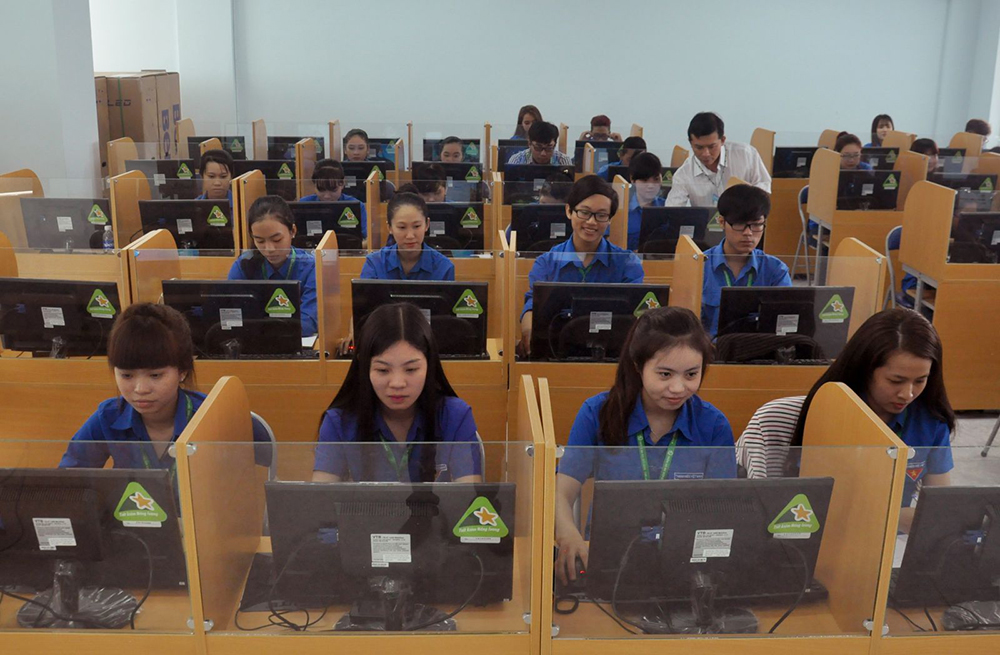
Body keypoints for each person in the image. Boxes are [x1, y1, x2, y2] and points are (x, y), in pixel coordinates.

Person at [554, 306, 736, 583]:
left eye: (691, 374)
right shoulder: (597, 413)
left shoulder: (714, 425)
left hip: (684, 565)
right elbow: (561, 492)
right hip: (609, 562)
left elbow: (723, 511)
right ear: (638, 366)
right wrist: (568, 533)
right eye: (665, 374)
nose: (678, 388)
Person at [737, 308, 954, 532]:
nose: (907, 394)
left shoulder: (931, 422)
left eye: (920, 381)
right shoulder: (831, 414)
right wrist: (894, 516)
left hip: (888, 542)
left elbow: (939, 509)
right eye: (895, 381)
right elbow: (817, 504)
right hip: (818, 534)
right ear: (866, 370)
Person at [313, 302, 483, 483]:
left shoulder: (455, 416)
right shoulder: (339, 422)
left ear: (429, 364)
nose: (397, 383)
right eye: (383, 370)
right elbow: (322, 496)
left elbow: (469, 495)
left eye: (411, 369)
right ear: (364, 366)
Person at [60, 303, 205, 470]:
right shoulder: (108, 416)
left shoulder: (210, 416)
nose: (141, 389)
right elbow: (70, 477)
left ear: (183, 371)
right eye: (127, 375)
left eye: (155, 375)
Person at [520, 175, 644, 352]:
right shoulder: (546, 263)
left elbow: (637, 315)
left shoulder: (628, 263)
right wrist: (528, 332)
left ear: (609, 219)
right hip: (555, 353)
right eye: (584, 212)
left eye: (601, 215)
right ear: (569, 211)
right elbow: (532, 306)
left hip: (612, 354)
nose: (591, 222)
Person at [701, 184, 791, 337]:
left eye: (756, 225)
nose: (748, 233)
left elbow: (786, 321)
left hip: (760, 348)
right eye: (739, 224)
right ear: (721, 222)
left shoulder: (776, 270)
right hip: (710, 349)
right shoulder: (700, 266)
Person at [228, 195, 317, 337]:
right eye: (260, 241)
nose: (269, 249)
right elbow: (231, 313)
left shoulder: (311, 266)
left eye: (277, 239)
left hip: (293, 343)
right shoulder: (244, 264)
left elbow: (308, 322)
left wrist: (259, 329)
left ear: (293, 231)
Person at [666, 112, 771, 207]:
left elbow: (765, 187)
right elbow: (672, 210)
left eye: (712, 146)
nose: (706, 154)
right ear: (690, 143)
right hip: (706, 223)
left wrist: (747, 197)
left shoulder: (745, 154)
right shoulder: (684, 174)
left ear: (723, 140)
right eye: (699, 147)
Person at [361, 191, 454, 280]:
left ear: (427, 224)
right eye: (402, 227)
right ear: (390, 228)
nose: (410, 236)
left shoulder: (444, 267)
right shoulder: (374, 264)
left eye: (416, 226)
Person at [298, 158, 369, 240]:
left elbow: (367, 239)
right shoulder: (304, 204)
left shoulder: (358, 206)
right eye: (321, 190)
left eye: (333, 190)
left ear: (342, 183)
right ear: (314, 185)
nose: (327, 196)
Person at [626, 151, 666, 250]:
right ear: (632, 179)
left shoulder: (667, 206)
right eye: (644, 180)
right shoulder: (622, 210)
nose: (651, 186)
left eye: (656, 179)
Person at [507, 121, 573, 166]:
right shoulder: (517, 161)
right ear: (529, 143)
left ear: (555, 144)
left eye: (549, 148)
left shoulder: (563, 161)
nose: (543, 153)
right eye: (538, 147)